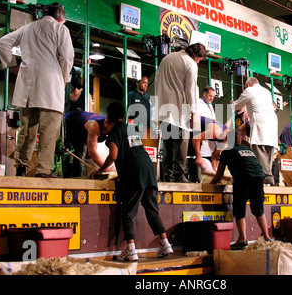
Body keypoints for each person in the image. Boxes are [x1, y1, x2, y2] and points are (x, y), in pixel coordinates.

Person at [0, 3, 74, 178]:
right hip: (50, 87)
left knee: (27, 130)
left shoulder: (28, 28)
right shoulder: (61, 29)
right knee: (48, 131)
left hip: (27, 87)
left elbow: (2, 43)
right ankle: (43, 171)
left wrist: (12, 65)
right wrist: (63, 78)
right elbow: (67, 57)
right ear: (61, 19)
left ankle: (21, 166)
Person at [91, 102, 173, 261]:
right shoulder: (131, 128)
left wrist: (100, 170)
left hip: (135, 172)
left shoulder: (115, 131)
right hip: (149, 169)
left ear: (109, 117)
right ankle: (166, 244)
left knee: (128, 212)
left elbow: (113, 155)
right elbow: (133, 150)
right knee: (152, 210)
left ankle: (131, 250)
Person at [210, 129, 272, 249]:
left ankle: (243, 239)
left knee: (239, 210)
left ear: (227, 140)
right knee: (259, 210)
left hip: (243, 177)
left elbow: (219, 174)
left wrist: (210, 184)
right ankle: (267, 237)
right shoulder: (248, 150)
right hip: (259, 177)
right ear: (240, 139)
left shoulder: (226, 152)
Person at [155, 43, 207, 183]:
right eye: (200, 59)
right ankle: (178, 176)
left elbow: (157, 81)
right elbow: (190, 89)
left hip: (164, 108)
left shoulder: (166, 58)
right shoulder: (190, 63)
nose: (199, 62)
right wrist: (193, 112)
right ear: (196, 55)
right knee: (180, 144)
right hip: (180, 110)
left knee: (168, 145)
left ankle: (167, 176)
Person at [232, 77, 278, 185]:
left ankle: (267, 177)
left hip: (260, 121)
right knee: (269, 149)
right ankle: (267, 176)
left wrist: (229, 104)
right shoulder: (266, 91)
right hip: (272, 121)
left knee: (259, 148)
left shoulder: (249, 90)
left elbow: (236, 105)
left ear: (248, 84)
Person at [64, 111, 113, 177]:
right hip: (71, 122)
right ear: (106, 123)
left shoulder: (110, 127)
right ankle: (77, 176)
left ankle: (87, 174)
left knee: (88, 154)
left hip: (83, 126)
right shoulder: (94, 127)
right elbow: (92, 152)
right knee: (81, 151)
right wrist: (106, 169)